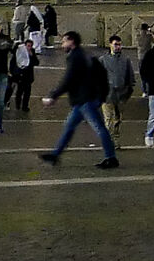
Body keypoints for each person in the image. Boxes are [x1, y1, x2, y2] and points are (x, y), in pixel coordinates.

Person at [36, 31, 118, 169]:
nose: (62, 45)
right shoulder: (85, 55)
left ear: (71, 41)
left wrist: (53, 96)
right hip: (84, 100)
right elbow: (101, 73)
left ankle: (111, 157)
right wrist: (102, 95)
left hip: (85, 100)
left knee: (99, 128)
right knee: (69, 127)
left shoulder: (75, 57)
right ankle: (55, 155)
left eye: (64, 41)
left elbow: (68, 79)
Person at [99, 35, 137, 137]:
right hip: (107, 95)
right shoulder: (103, 60)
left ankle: (115, 139)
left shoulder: (126, 60)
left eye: (119, 45)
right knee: (108, 119)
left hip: (121, 95)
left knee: (118, 119)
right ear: (110, 45)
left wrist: (128, 92)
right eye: (116, 44)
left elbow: (130, 77)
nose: (118, 47)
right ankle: (109, 141)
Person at [9, 34, 39, 113]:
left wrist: (31, 55)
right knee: (19, 91)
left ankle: (25, 106)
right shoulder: (19, 52)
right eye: (27, 46)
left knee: (27, 92)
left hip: (28, 76)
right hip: (20, 75)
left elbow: (36, 62)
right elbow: (13, 57)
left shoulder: (32, 52)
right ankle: (18, 105)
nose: (29, 47)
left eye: (30, 46)